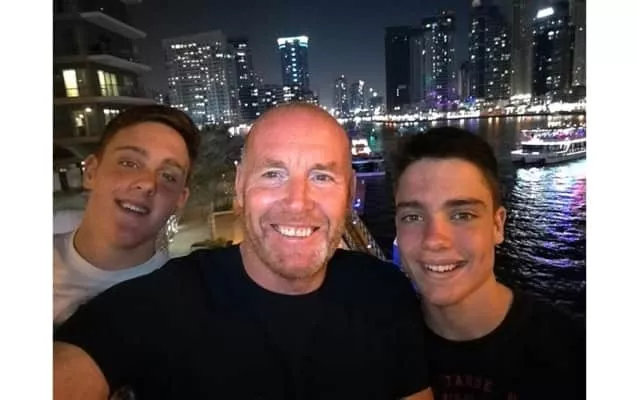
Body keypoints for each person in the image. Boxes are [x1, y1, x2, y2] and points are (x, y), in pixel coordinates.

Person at [53, 103, 433, 400]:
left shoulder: (385, 292)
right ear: (239, 188)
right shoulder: (163, 301)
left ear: (350, 193)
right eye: (273, 174)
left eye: (321, 177)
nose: (297, 202)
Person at [392, 127, 585, 399]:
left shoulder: (575, 355)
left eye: (462, 215)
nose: (434, 240)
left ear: (497, 225)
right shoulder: (379, 347)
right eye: (413, 217)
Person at [53, 105, 201, 327]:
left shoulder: (184, 310)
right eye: (129, 163)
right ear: (91, 172)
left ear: (180, 199)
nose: (148, 183)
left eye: (168, 176)